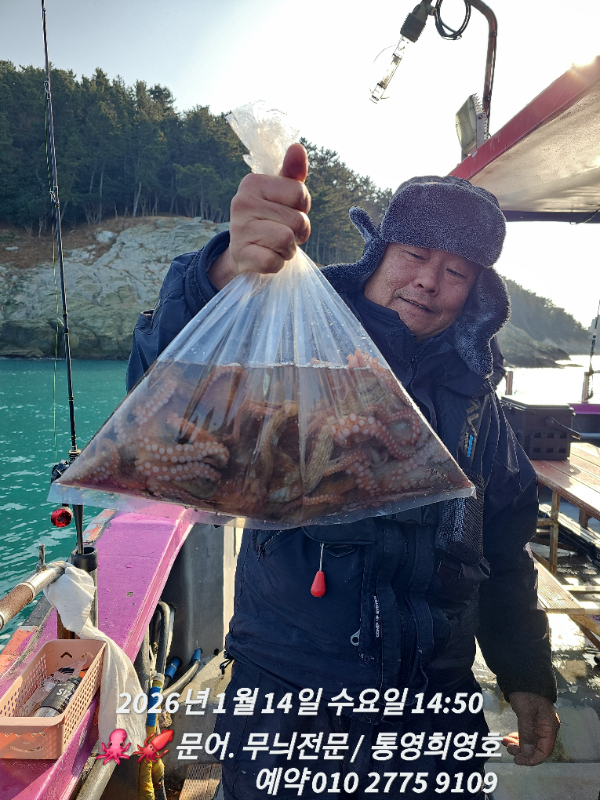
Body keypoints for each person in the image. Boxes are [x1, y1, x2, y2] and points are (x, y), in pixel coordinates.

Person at [126, 145, 559, 799]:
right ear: (378, 254)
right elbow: (166, 399)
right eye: (413, 254)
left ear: (475, 292)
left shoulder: (478, 404)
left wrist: (526, 674)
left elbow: (503, 551)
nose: (428, 280)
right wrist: (223, 272)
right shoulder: (296, 340)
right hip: (289, 697)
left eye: (455, 271)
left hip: (435, 707)